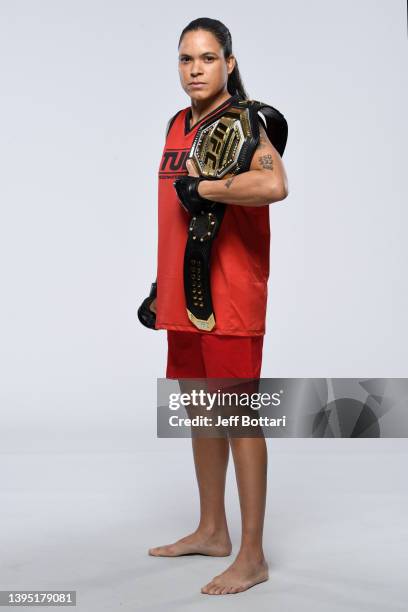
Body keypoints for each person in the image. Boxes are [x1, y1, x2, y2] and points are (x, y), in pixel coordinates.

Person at [147, 17, 289, 595]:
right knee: (201, 411)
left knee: (237, 416)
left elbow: (274, 185)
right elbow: (172, 215)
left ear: (228, 63)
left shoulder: (248, 121)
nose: (195, 69)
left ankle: (252, 556)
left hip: (230, 295)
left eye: (207, 58)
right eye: (185, 59)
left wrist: (204, 187)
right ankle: (212, 529)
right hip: (183, 294)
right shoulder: (178, 124)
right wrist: (160, 285)